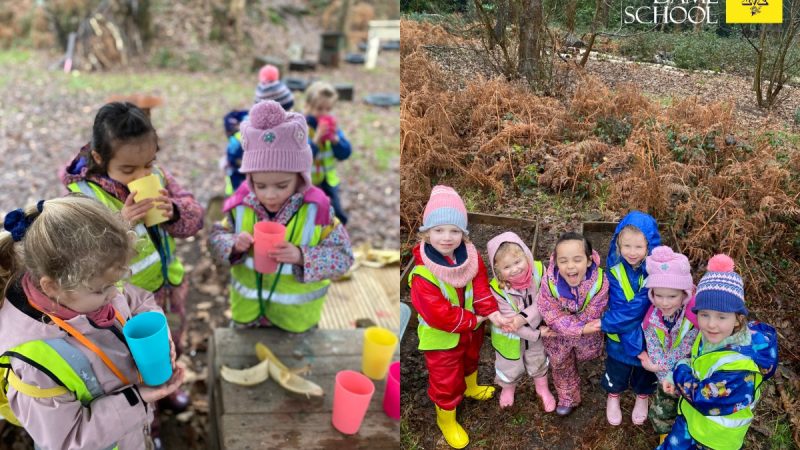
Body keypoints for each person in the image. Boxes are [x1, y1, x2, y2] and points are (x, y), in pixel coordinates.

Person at [0, 196, 185, 449]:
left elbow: (136, 298)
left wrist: (154, 330)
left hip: (132, 430)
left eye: (114, 283)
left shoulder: (86, 285)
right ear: (52, 286)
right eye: (102, 290)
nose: (113, 294)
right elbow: (66, 440)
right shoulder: (34, 365)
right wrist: (137, 399)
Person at [61, 101, 202, 415]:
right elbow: (80, 259)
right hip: (123, 304)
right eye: (128, 170)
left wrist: (175, 212)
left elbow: (196, 218)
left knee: (169, 347)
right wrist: (119, 225)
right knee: (132, 363)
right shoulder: (83, 199)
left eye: (148, 164)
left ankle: (168, 393)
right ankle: (146, 419)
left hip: (167, 290)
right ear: (99, 158)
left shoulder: (160, 178)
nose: (141, 175)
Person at [208, 100, 353, 331]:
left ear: (300, 178)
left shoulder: (317, 210)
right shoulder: (241, 205)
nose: (270, 195)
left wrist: (302, 256)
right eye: (260, 185)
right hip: (248, 318)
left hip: (296, 321)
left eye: (282, 185)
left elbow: (343, 257)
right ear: (250, 179)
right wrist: (232, 244)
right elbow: (215, 239)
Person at [409, 185, 511, 449]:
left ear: (463, 234)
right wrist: (474, 320)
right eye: (438, 230)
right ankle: (446, 419)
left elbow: (480, 288)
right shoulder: (423, 274)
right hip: (442, 339)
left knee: (470, 359)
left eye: (455, 231)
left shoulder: (470, 257)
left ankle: (471, 386)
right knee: (446, 379)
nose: (446, 237)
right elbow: (439, 315)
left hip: (471, 331)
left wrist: (492, 312)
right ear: (426, 232)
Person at [658, 254, 778, 450]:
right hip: (691, 420)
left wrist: (678, 370)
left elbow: (704, 397)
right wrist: (677, 372)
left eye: (721, 317)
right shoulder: (709, 335)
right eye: (704, 315)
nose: (711, 324)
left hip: (716, 439)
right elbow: (697, 360)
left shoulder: (740, 366)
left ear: (738, 319)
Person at [536, 232, 608, 416]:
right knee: (561, 366)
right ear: (556, 262)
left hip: (588, 335)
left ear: (589, 260)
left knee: (587, 356)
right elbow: (549, 311)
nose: (570, 266)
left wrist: (580, 328)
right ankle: (568, 397)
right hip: (557, 336)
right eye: (564, 261)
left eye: (577, 260)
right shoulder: (549, 282)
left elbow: (596, 309)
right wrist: (578, 328)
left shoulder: (600, 281)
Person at [600, 211, 661, 426]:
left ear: (649, 246)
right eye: (626, 246)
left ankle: (642, 396)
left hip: (649, 334)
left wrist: (604, 323)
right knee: (617, 368)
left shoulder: (657, 271)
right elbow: (622, 308)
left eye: (638, 247)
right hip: (622, 336)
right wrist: (637, 350)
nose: (632, 253)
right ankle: (613, 395)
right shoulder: (614, 267)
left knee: (645, 372)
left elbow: (640, 308)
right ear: (618, 244)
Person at [486, 232, 555, 411]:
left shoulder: (540, 271)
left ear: (526, 255)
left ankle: (542, 388)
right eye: (507, 267)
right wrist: (536, 333)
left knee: (538, 359)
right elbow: (510, 324)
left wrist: (523, 319)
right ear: (497, 270)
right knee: (509, 365)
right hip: (510, 337)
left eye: (518, 262)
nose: (515, 269)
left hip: (536, 334)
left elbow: (545, 300)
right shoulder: (497, 290)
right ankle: (508, 388)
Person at [638, 246, 699, 444]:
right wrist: (665, 376)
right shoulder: (651, 318)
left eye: (672, 296)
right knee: (663, 407)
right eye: (658, 295)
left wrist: (677, 374)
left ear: (684, 295)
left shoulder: (694, 320)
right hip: (664, 377)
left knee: (690, 410)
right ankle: (665, 433)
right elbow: (654, 347)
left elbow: (689, 349)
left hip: (690, 375)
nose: (664, 303)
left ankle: (689, 433)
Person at [222, 65, 295, 196]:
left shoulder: (287, 132)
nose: (291, 115)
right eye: (287, 112)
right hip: (245, 195)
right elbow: (234, 158)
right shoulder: (248, 136)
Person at [305, 81, 352, 225]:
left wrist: (335, 140)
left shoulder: (333, 128)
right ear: (307, 107)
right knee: (309, 215)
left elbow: (345, 153)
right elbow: (302, 157)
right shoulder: (303, 127)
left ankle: (337, 236)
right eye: (319, 108)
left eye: (328, 109)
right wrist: (317, 138)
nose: (324, 113)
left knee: (336, 213)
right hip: (307, 183)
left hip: (328, 182)